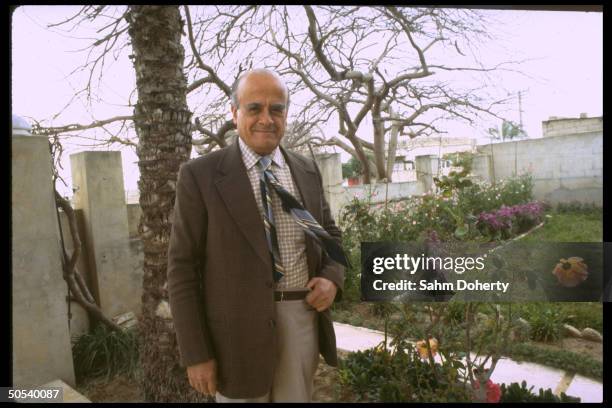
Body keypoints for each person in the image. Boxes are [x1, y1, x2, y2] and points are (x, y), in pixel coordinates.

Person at [167, 69, 346, 403]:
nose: (267, 118)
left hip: (301, 319)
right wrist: (195, 352)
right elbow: (182, 269)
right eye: (254, 108)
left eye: (276, 109)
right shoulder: (201, 176)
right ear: (234, 113)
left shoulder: (306, 170)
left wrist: (332, 279)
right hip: (233, 335)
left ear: (286, 115)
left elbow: (330, 236)